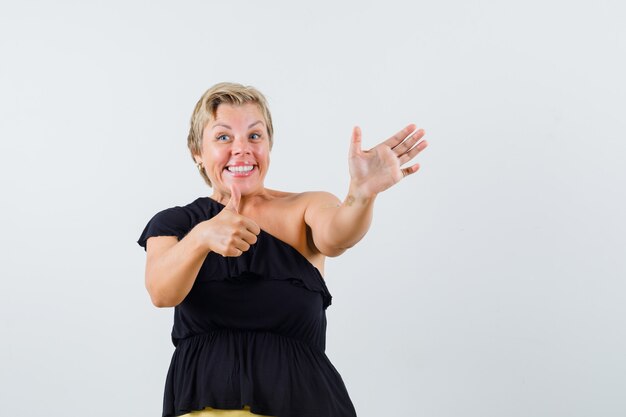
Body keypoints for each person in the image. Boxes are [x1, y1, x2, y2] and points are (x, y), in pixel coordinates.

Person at [137, 82, 428, 417]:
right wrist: (202, 237)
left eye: (255, 136)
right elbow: (161, 291)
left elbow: (338, 236)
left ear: (269, 145)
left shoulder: (305, 206)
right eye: (223, 137)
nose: (242, 149)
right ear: (197, 152)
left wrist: (361, 194)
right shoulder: (175, 224)